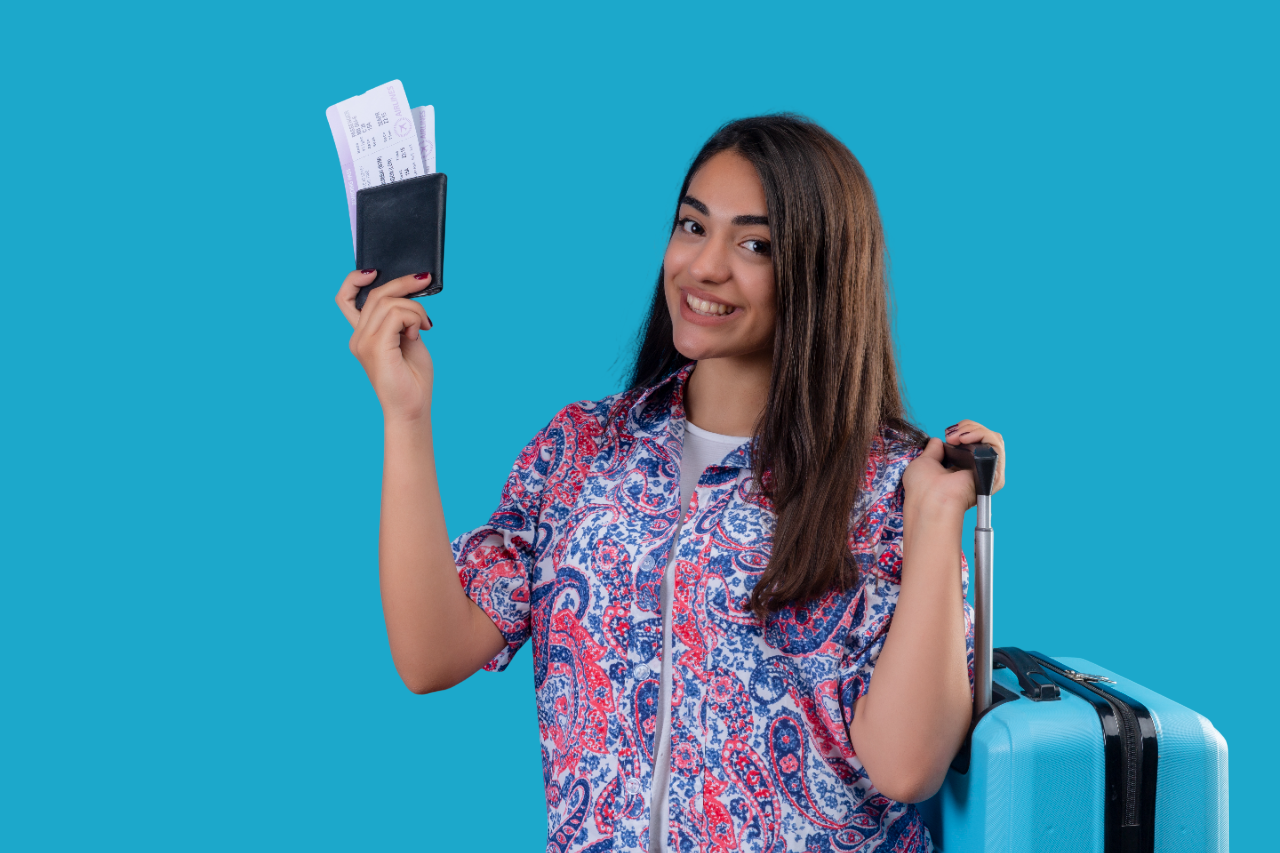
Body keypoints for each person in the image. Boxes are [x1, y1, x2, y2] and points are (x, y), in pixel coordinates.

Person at [334, 114, 1007, 853]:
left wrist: (938, 519)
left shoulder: (884, 485)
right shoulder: (585, 449)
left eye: (755, 244)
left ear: (821, 272)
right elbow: (430, 653)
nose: (705, 265)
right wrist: (406, 414)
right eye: (693, 226)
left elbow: (907, 768)